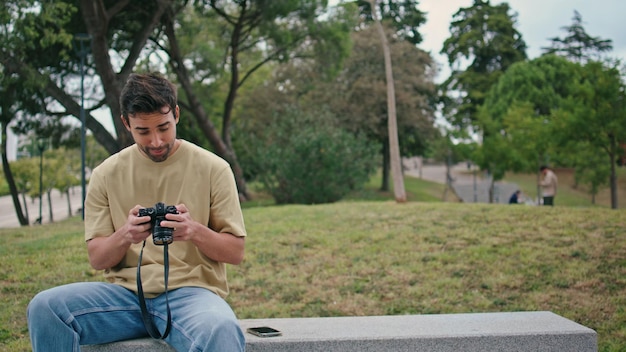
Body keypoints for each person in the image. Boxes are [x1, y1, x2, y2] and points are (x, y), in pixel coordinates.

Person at [27, 72, 247, 351]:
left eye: (163, 128)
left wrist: (194, 231)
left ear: (176, 114)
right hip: (124, 297)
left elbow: (235, 252)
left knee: (222, 328)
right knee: (45, 307)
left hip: (192, 296)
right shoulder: (106, 174)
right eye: (143, 131)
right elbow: (97, 258)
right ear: (125, 123)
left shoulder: (214, 168)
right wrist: (126, 235)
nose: (155, 141)